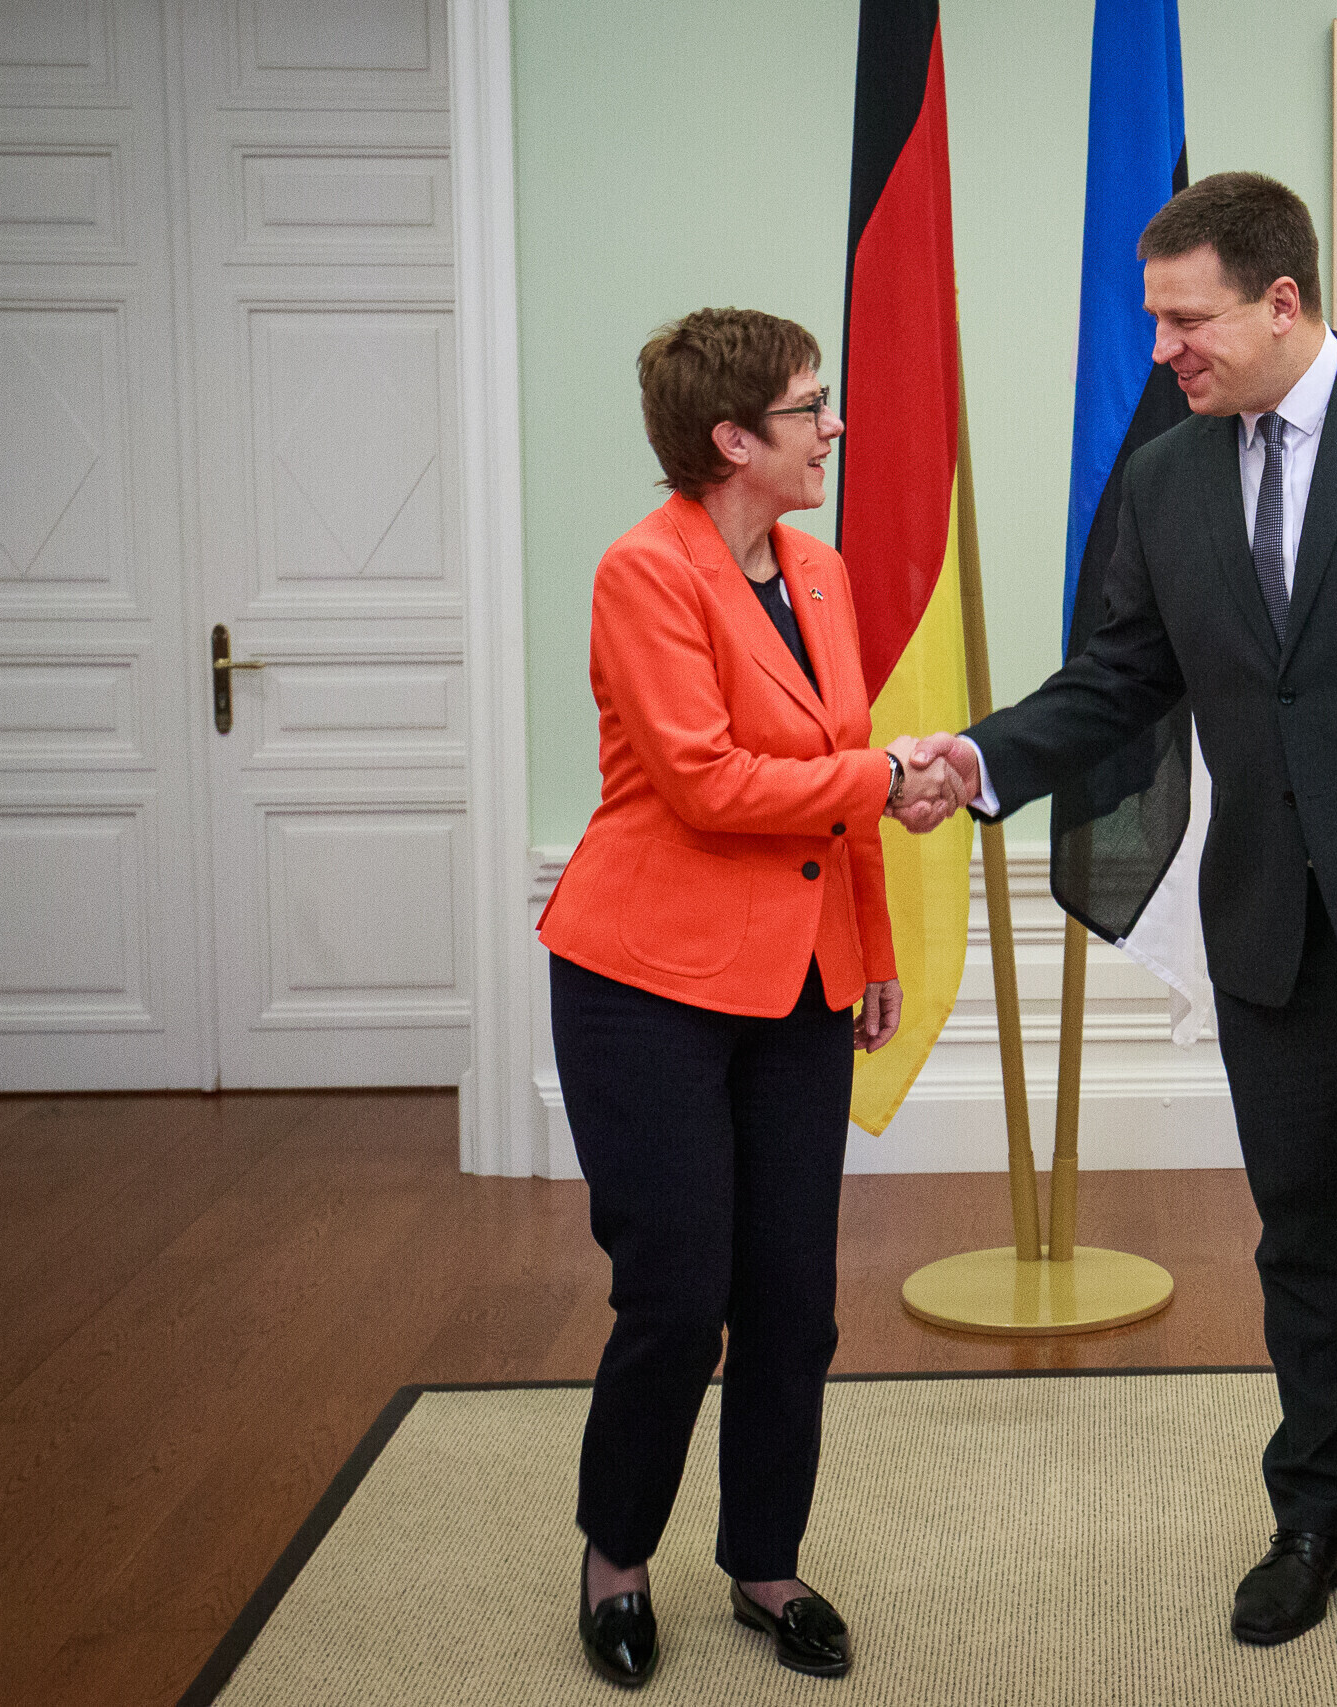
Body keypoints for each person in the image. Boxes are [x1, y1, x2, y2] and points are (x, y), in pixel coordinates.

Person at [892, 173, 1337, 1664]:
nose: (1162, 349)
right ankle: (1321, 1514)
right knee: (1301, 1235)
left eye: (1185, 319)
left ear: (1282, 302)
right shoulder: (1166, 479)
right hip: (1270, 924)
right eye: (1155, 320)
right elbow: (1119, 681)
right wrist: (979, 761)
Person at [540, 307, 966, 1689]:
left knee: (793, 1298)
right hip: (645, 984)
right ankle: (617, 1561)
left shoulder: (819, 571)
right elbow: (707, 781)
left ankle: (764, 1566)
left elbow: (839, 769)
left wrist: (874, 950)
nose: (833, 427)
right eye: (808, 408)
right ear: (731, 439)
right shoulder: (643, 572)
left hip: (798, 982)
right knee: (677, 1294)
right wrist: (883, 779)